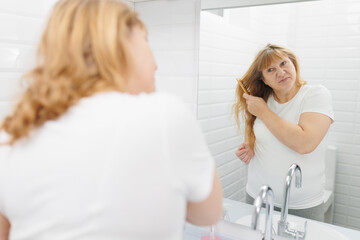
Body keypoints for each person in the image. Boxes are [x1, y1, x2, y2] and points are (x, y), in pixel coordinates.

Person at [0, 0, 223, 239]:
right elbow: (208, 215)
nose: (156, 64)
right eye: (145, 41)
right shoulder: (164, 116)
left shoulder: (13, 132)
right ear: (119, 47)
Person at [233, 44, 334, 221]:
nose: (280, 72)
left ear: (293, 64)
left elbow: (304, 143)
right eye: (270, 69)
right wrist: (251, 148)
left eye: (283, 63)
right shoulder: (262, 102)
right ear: (264, 79)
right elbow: (263, 136)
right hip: (259, 197)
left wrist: (263, 112)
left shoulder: (316, 95)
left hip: (302, 205)